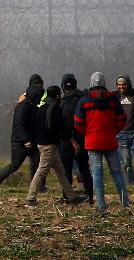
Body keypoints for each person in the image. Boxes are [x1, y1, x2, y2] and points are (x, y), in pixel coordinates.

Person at [24, 86, 88, 206]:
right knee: (42, 171)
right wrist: (72, 141)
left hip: (43, 143)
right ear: (57, 96)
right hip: (49, 145)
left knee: (60, 172)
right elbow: (61, 127)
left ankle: (72, 197)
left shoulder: (42, 108)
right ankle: (30, 198)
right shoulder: (55, 108)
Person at [75, 72, 129, 213]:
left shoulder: (84, 100)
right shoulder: (112, 99)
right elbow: (122, 119)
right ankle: (125, 203)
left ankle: (101, 206)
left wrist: (86, 133)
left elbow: (78, 122)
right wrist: (114, 131)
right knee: (117, 173)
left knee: (97, 174)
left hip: (92, 142)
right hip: (110, 141)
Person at [0, 84, 41, 191]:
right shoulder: (22, 106)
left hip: (31, 141)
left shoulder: (33, 106)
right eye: (38, 95)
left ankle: (36, 187)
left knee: (37, 163)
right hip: (20, 142)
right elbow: (19, 124)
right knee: (15, 165)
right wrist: (25, 139)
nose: (39, 97)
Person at [58, 73, 92, 203]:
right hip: (82, 139)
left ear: (63, 87)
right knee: (84, 168)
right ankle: (90, 197)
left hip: (66, 141)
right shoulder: (84, 99)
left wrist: (70, 139)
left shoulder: (62, 102)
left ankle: (68, 197)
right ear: (76, 85)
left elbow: (61, 124)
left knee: (66, 171)